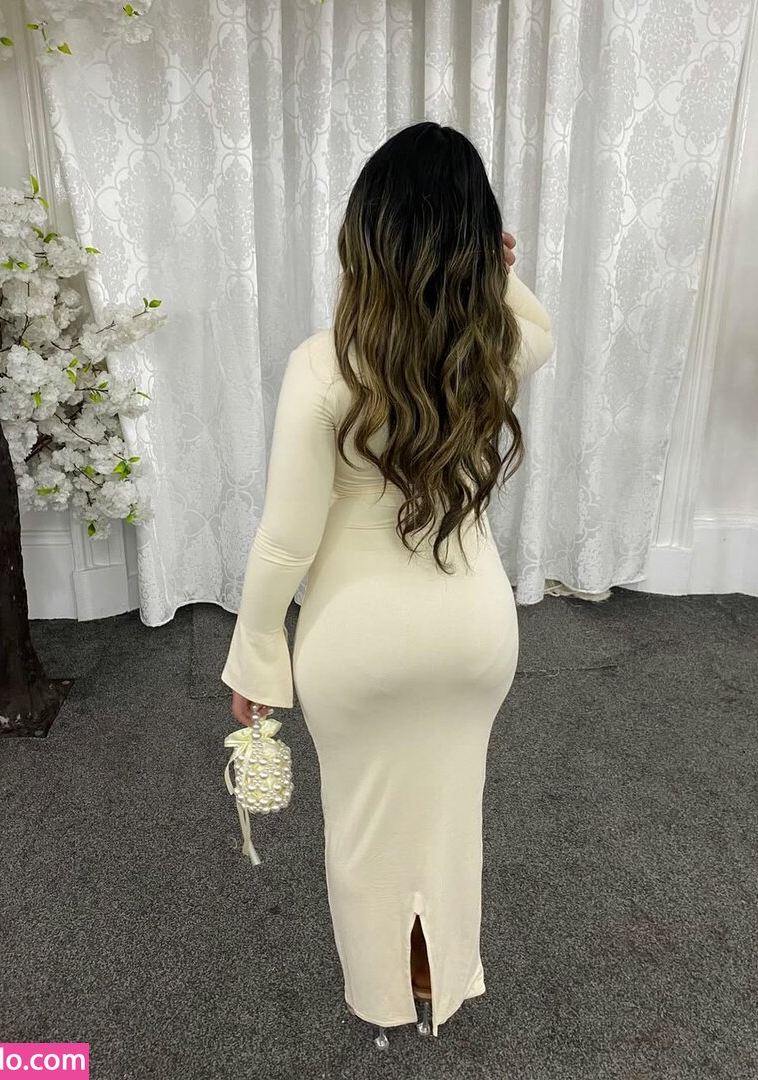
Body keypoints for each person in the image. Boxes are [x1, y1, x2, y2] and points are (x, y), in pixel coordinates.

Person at [220, 120, 555, 1044]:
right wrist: (500, 273)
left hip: (357, 644)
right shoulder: (493, 351)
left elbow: (284, 543)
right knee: (450, 816)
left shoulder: (321, 365)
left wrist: (255, 659)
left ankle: (384, 990)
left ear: (363, 237)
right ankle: (438, 969)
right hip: (471, 633)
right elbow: (539, 328)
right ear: (477, 243)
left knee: (364, 825)